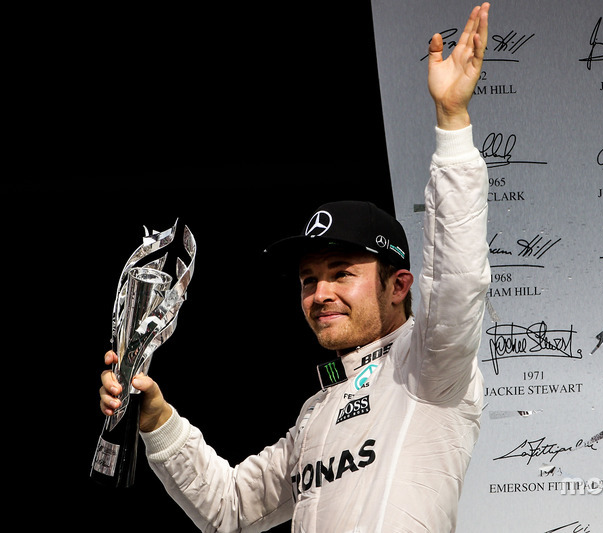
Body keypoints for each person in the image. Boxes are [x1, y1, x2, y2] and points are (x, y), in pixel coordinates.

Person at [99, 3, 491, 531]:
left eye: (341, 271)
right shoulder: (315, 414)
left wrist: (451, 125)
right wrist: (157, 418)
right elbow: (230, 508)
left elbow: (458, 282)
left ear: (399, 285)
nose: (320, 292)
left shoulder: (429, 367)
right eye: (309, 279)